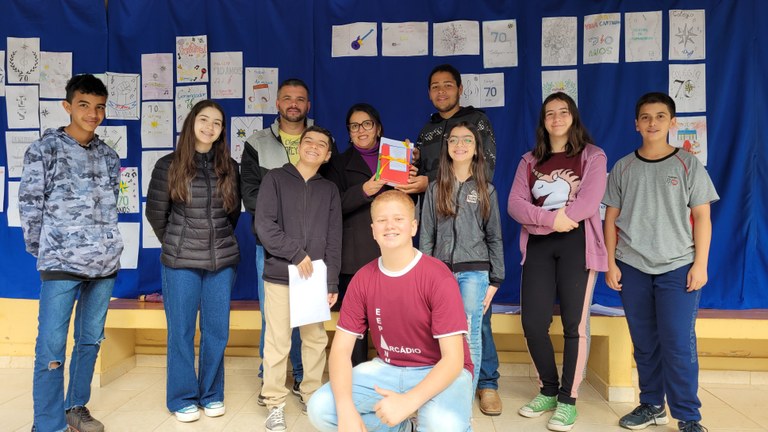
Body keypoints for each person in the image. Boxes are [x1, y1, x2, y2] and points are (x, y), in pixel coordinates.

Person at [307, 190, 474, 432]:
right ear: (373, 230)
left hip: (440, 368)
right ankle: (404, 428)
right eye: (382, 220)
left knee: (441, 424)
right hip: (388, 368)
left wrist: (408, 402)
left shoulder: (438, 276)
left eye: (398, 219)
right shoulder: (363, 279)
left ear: (413, 227)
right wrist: (345, 410)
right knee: (321, 408)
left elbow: (453, 359)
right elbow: (341, 351)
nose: (390, 226)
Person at [603, 92, 718, 432]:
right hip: (632, 266)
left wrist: (700, 264)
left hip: (678, 265)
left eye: (660, 116)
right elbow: (610, 220)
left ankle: (688, 416)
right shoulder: (623, 167)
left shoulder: (688, 164)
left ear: (672, 122)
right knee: (644, 342)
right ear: (636, 124)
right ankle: (652, 405)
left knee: (678, 342)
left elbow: (703, 217)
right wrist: (610, 262)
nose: (652, 123)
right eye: (646, 117)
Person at [19, 74, 123, 432]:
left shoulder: (109, 156)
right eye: (84, 105)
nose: (92, 114)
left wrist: (108, 245)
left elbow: (111, 204)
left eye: (99, 107)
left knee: (90, 340)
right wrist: (50, 249)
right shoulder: (43, 150)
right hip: (60, 263)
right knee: (51, 346)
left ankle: (75, 407)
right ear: (67, 106)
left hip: (104, 265)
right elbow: (30, 206)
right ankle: (48, 425)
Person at [402, 63, 503, 416]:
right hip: (441, 247)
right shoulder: (428, 130)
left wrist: (496, 276)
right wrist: (412, 168)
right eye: (435, 86)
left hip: (473, 254)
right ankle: (440, 388)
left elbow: (484, 170)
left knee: (475, 324)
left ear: (460, 89)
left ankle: (486, 383)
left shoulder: (478, 121)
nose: (441, 91)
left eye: (448, 85)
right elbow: (423, 178)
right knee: (438, 325)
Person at [507, 92, 608, 431]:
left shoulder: (592, 155)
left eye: (563, 112)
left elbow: (589, 202)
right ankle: (548, 390)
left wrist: (561, 220)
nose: (556, 118)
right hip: (539, 244)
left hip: (577, 244)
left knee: (573, 326)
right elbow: (515, 205)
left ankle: (568, 399)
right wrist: (551, 220)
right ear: (543, 121)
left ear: (573, 117)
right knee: (533, 323)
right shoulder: (529, 161)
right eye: (550, 113)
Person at [146, 99, 241, 422]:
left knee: (217, 331)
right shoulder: (168, 165)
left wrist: (216, 241)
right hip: (180, 262)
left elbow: (232, 215)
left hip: (221, 262)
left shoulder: (230, 167)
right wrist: (178, 243)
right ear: (191, 123)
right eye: (204, 119)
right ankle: (182, 397)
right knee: (181, 331)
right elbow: (156, 215)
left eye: (217, 122)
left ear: (222, 130)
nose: (209, 127)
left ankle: (212, 394)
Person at [255, 126, 342, 432]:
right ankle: (274, 403)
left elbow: (334, 238)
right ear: (299, 147)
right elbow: (264, 224)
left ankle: (312, 396)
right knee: (277, 341)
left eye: (322, 144)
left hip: (314, 278)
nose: (314, 146)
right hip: (280, 274)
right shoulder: (275, 179)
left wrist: (331, 282)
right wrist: (295, 254)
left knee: (315, 340)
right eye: (309, 141)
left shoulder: (329, 190)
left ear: (327, 155)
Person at [241, 78, 315, 395]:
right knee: (272, 315)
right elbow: (250, 195)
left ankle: (299, 373)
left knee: (305, 314)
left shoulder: (320, 140)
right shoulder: (256, 143)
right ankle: (268, 376)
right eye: (287, 98)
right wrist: (284, 225)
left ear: (308, 105)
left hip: (311, 245)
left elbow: (329, 190)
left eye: (299, 99)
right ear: (277, 103)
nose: (293, 104)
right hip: (270, 245)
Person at [419, 121, 505, 394]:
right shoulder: (435, 189)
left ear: (477, 148)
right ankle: (440, 392)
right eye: (454, 139)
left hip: (475, 273)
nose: (460, 144)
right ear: (446, 147)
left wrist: (496, 279)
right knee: (438, 334)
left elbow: (494, 236)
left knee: (470, 335)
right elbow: (427, 235)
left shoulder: (486, 190)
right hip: (440, 272)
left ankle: (464, 398)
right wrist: (425, 273)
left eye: (467, 139)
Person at [323, 103, 393, 366]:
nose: (361, 130)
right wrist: (363, 190)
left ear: (378, 128)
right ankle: (355, 376)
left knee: (393, 317)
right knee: (357, 322)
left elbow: (409, 198)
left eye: (367, 124)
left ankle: (393, 371)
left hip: (391, 250)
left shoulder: (396, 158)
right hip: (355, 254)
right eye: (354, 126)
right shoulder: (338, 163)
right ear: (349, 132)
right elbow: (332, 206)